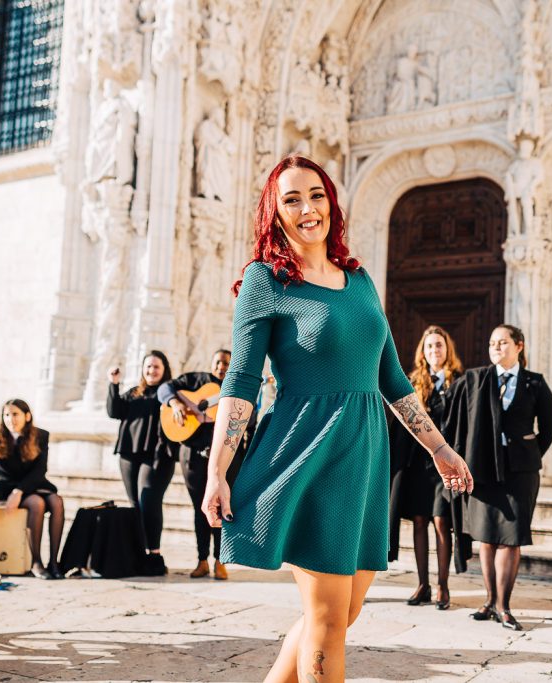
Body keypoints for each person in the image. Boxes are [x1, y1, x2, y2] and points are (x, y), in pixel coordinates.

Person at [200, 155, 474, 683]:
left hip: (365, 455)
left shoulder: (360, 279)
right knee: (327, 619)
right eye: (292, 199)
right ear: (274, 214)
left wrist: (440, 448)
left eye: (317, 194)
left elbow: (393, 378)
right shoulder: (265, 280)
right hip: (306, 450)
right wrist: (217, 470)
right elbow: (241, 383)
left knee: (341, 611)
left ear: (332, 202)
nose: (308, 208)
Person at [445, 324, 552, 631]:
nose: (496, 347)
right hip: (482, 468)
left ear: (519, 346)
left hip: (520, 472)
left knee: (510, 537)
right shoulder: (475, 379)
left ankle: (503, 606)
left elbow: (548, 428)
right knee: (487, 536)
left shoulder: (535, 383)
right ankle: (489, 601)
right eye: (492, 342)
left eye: (503, 342)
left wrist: (526, 453)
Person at [389, 325, 464, 609]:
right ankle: (423, 584)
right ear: (424, 351)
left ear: (448, 350)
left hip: (446, 463)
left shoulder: (460, 382)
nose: (435, 350)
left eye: (439, 345)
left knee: (442, 522)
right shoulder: (412, 382)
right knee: (419, 521)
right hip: (418, 465)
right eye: (430, 346)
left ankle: (443, 585)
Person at [158, 349, 234, 580]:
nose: (222, 367)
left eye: (227, 364)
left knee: (221, 506)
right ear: (212, 362)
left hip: (221, 456)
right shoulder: (196, 380)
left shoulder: (233, 388)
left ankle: (221, 560)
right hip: (191, 453)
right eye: (219, 362)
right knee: (199, 507)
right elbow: (164, 388)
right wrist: (175, 404)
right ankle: (201, 560)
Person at [0, 399, 64, 580]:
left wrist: (19, 491)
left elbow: (40, 470)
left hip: (31, 484)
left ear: (27, 416)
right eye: (6, 415)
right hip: (3, 487)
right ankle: (36, 562)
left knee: (56, 501)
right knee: (37, 503)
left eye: (15, 414)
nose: (10, 419)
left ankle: (54, 563)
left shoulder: (41, 436)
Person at [107, 351, 176, 575]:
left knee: (149, 501)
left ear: (164, 369)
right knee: (134, 504)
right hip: (129, 453)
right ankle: (137, 553)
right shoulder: (134, 393)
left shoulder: (169, 393)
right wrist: (113, 384)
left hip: (157, 455)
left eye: (156, 367)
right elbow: (114, 411)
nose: (151, 371)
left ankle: (154, 555)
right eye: (148, 367)